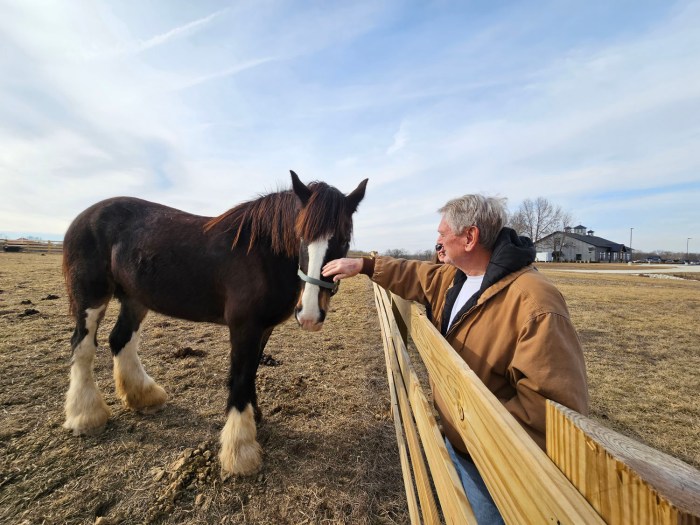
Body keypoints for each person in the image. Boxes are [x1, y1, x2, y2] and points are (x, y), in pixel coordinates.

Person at [322, 194, 589, 524]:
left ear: (470, 237)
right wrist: (364, 265)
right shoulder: (457, 277)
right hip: (460, 440)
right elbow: (415, 274)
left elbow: (551, 411)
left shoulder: (535, 302)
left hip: (492, 463)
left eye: (442, 233)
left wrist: (475, 431)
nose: (438, 242)